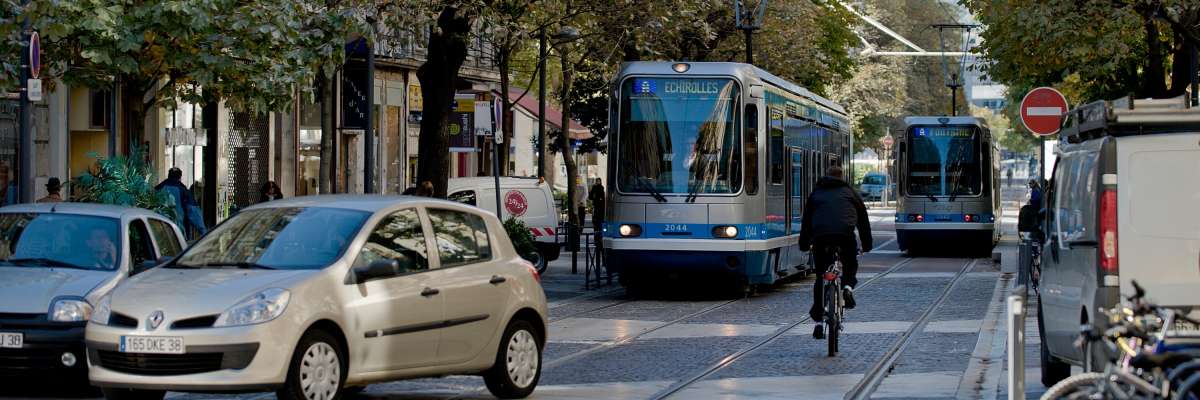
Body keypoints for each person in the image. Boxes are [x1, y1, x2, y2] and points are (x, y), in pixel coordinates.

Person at [798, 165, 873, 340]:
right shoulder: (851, 193)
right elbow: (863, 220)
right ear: (842, 177)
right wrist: (867, 244)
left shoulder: (816, 194)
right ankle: (847, 288)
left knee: (820, 276)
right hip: (845, 236)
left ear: (827, 176)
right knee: (850, 264)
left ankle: (817, 321)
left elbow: (807, 221)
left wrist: (804, 244)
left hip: (821, 238)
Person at [156, 168, 207, 238]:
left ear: (168, 176)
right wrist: (203, 231)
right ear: (180, 177)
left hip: (159, 230)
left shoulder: (159, 188)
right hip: (178, 231)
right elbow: (193, 212)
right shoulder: (183, 190)